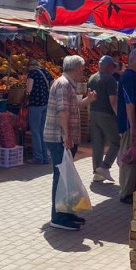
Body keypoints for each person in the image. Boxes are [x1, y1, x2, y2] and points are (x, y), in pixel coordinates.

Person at [44, 55, 97, 231]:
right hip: (59, 138)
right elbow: (63, 112)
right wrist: (67, 136)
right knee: (61, 176)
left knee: (65, 176)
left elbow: (73, 107)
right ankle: (57, 216)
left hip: (64, 138)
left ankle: (65, 212)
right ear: (75, 69)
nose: (83, 71)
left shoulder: (68, 85)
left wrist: (87, 100)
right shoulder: (63, 85)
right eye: (82, 68)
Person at [117, 48, 136, 204]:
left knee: (134, 158)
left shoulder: (133, 77)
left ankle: (132, 191)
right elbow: (129, 103)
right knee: (129, 157)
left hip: (132, 124)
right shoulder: (129, 77)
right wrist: (133, 127)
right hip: (129, 125)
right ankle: (126, 193)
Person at [86, 55, 119, 183]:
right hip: (106, 114)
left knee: (98, 143)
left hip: (94, 112)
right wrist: (119, 116)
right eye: (113, 67)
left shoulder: (92, 78)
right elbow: (113, 101)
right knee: (116, 141)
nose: (114, 69)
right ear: (109, 66)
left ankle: (97, 173)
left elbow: (89, 97)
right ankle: (105, 167)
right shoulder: (110, 80)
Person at [24, 59, 53, 165]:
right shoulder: (46, 72)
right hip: (46, 103)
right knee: (42, 130)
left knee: (35, 131)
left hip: (35, 104)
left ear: (30, 66)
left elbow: (29, 89)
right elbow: (52, 85)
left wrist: (26, 94)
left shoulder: (32, 74)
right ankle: (46, 156)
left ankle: (38, 157)